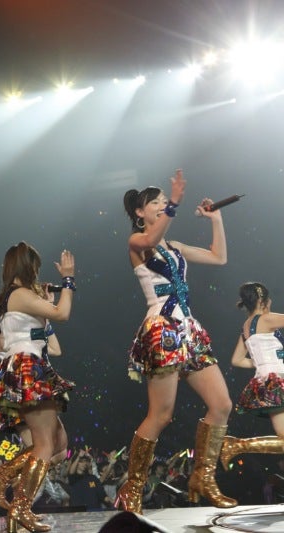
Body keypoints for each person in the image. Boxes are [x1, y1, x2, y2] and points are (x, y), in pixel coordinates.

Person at [117, 169, 236, 513]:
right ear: (140, 212)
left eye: (163, 201)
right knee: (162, 414)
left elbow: (219, 257)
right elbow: (150, 240)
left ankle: (203, 477)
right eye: (155, 203)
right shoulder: (137, 242)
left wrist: (216, 219)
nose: (161, 206)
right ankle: (132, 487)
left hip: (188, 330)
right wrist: (176, 203)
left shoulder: (176, 247)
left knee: (222, 405)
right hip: (162, 330)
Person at [0, 242, 75, 532]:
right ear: (27, 266)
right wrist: (68, 279)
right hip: (28, 368)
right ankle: (21, 506)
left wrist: (46, 306)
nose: (38, 272)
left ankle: (2, 476)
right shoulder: (18, 294)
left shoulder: (20, 296)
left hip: (32, 365)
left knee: (58, 443)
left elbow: (51, 335)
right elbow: (63, 313)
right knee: (44, 445)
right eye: (36, 266)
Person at [218, 282, 284, 468]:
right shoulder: (266, 319)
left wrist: (262, 362)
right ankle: (236, 445)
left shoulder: (246, 327)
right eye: (269, 299)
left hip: (267, 383)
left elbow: (237, 360)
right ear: (262, 300)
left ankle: (237, 445)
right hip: (279, 379)